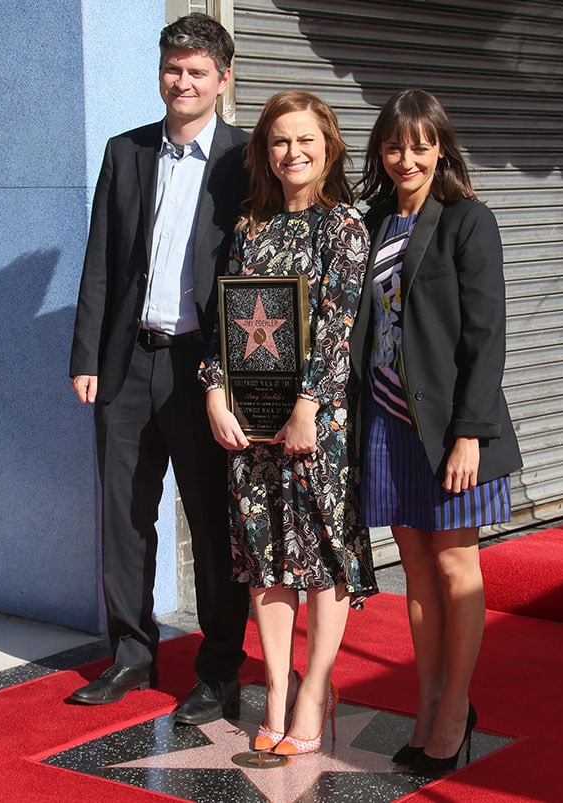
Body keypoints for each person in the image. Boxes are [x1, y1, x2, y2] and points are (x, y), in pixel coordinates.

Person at [68, 13, 250, 723]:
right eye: (174, 68)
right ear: (161, 72)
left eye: (198, 71)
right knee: (124, 516)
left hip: (201, 372)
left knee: (211, 523)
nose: (183, 81)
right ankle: (132, 657)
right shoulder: (127, 152)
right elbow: (101, 264)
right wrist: (87, 355)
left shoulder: (244, 160)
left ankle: (217, 669)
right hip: (126, 365)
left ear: (223, 80)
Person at [199, 90, 378, 755]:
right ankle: (276, 686)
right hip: (251, 431)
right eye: (279, 141)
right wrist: (215, 392)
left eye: (305, 139)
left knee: (323, 555)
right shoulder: (250, 227)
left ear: (327, 146)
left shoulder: (345, 228)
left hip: (317, 426)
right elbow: (228, 325)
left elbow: (337, 327)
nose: (293, 152)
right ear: (264, 152)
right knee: (266, 558)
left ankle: (315, 687)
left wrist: (308, 406)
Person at [354, 89, 522, 775]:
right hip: (387, 422)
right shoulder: (369, 222)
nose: (406, 158)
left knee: (455, 566)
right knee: (416, 572)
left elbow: (487, 334)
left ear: (440, 147)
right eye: (394, 145)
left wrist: (470, 433)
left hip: (450, 427)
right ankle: (425, 704)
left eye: (419, 144)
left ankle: (456, 707)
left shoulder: (467, 221)